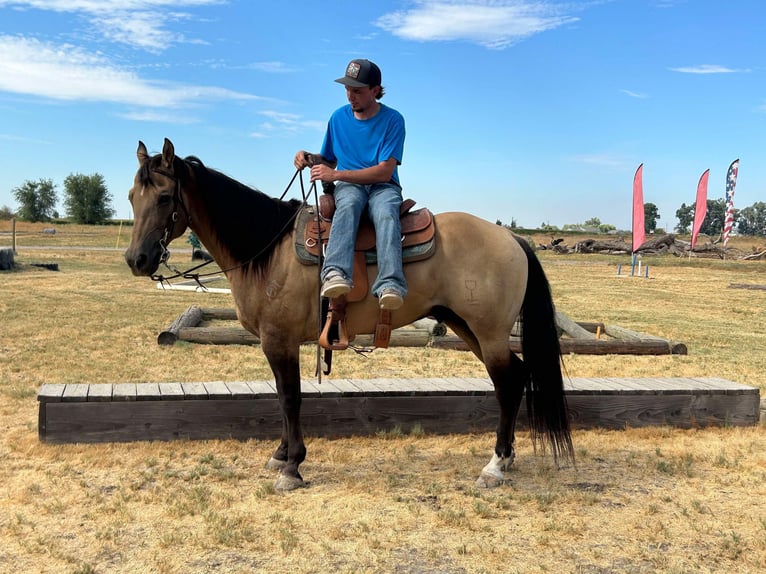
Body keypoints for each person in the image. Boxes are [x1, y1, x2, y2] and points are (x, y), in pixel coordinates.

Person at [294, 58, 407, 311]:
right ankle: (335, 273)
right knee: (349, 203)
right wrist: (309, 157)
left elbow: (383, 171)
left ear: (375, 91)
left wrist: (336, 176)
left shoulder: (393, 120)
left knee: (386, 212)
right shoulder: (337, 118)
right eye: (347, 89)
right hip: (349, 186)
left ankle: (391, 283)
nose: (350, 96)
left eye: (357, 90)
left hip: (383, 186)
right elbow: (330, 159)